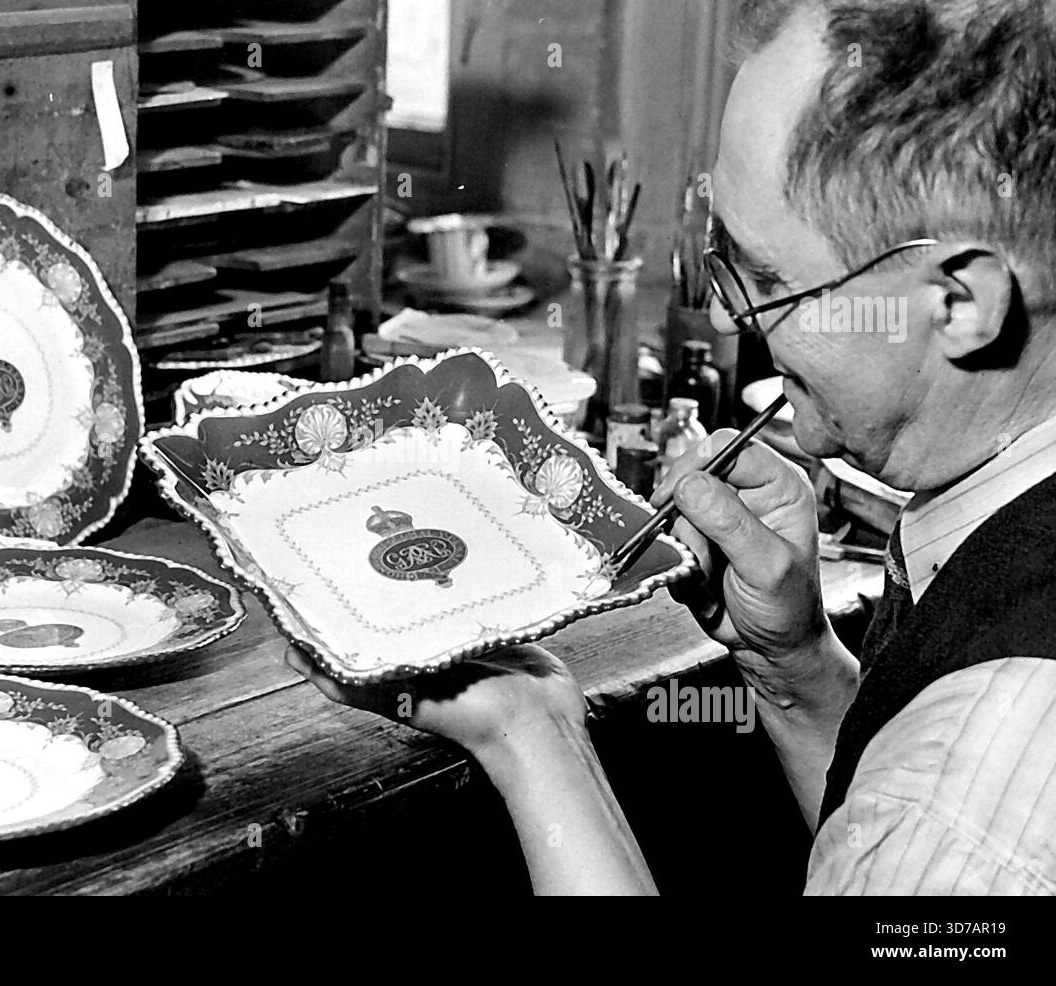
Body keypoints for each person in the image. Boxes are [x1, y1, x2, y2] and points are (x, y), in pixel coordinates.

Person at [286, 0, 1056, 895]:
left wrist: (534, 734)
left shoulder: (980, 778)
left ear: (962, 304)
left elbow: (937, 815)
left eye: (769, 278)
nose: (730, 315)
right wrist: (795, 667)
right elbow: (883, 840)